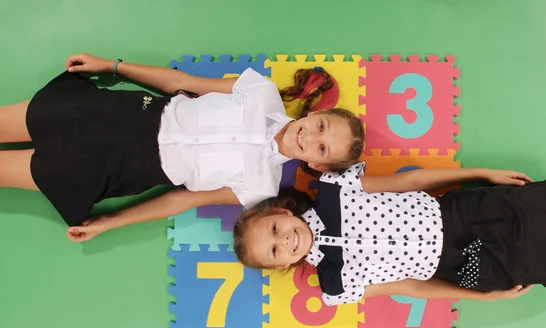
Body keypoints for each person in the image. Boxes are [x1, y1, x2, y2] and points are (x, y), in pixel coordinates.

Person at [0, 53, 365, 242]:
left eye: (321, 149)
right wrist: (112, 65)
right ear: (320, 112)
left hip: (126, 168)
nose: (309, 138)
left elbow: (183, 200)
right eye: (321, 126)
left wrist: (111, 222)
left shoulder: (261, 188)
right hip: (117, 114)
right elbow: (181, 81)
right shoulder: (261, 92)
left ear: (318, 167)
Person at [232, 162, 546, 305]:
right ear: (281, 264)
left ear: (280, 211)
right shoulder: (335, 285)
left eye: (275, 230)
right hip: (474, 265)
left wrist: (482, 174)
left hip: (470, 212)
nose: (286, 240)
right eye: (276, 251)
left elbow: (410, 181)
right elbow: (410, 286)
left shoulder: (333, 189)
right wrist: (483, 298)